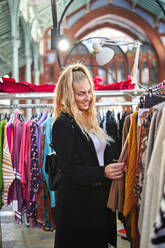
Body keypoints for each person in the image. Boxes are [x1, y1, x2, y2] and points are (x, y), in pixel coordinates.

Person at [52, 63, 126, 248]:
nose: (88, 97)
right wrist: (104, 172)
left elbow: (99, 156)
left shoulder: (90, 120)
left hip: (98, 202)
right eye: (81, 94)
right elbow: (70, 171)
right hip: (78, 207)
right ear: (68, 94)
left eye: (90, 91)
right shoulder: (62, 124)